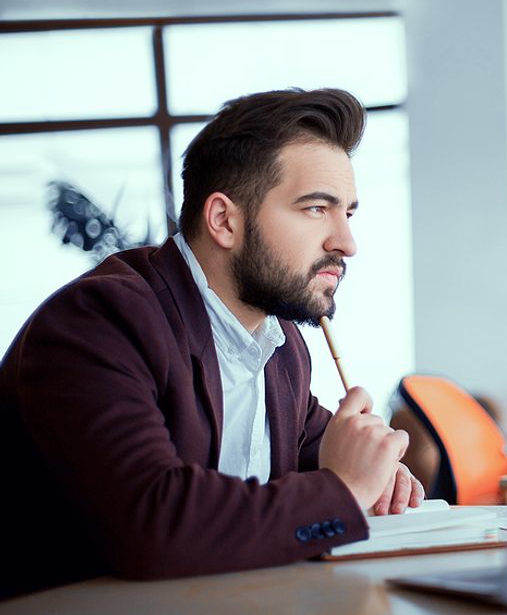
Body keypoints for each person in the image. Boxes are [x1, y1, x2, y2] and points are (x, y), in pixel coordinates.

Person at [0, 88, 423, 599]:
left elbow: (317, 452)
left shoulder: (279, 344)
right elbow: (152, 526)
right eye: (316, 209)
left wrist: (377, 470)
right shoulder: (97, 324)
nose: (346, 242)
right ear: (224, 220)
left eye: (348, 214)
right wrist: (346, 489)